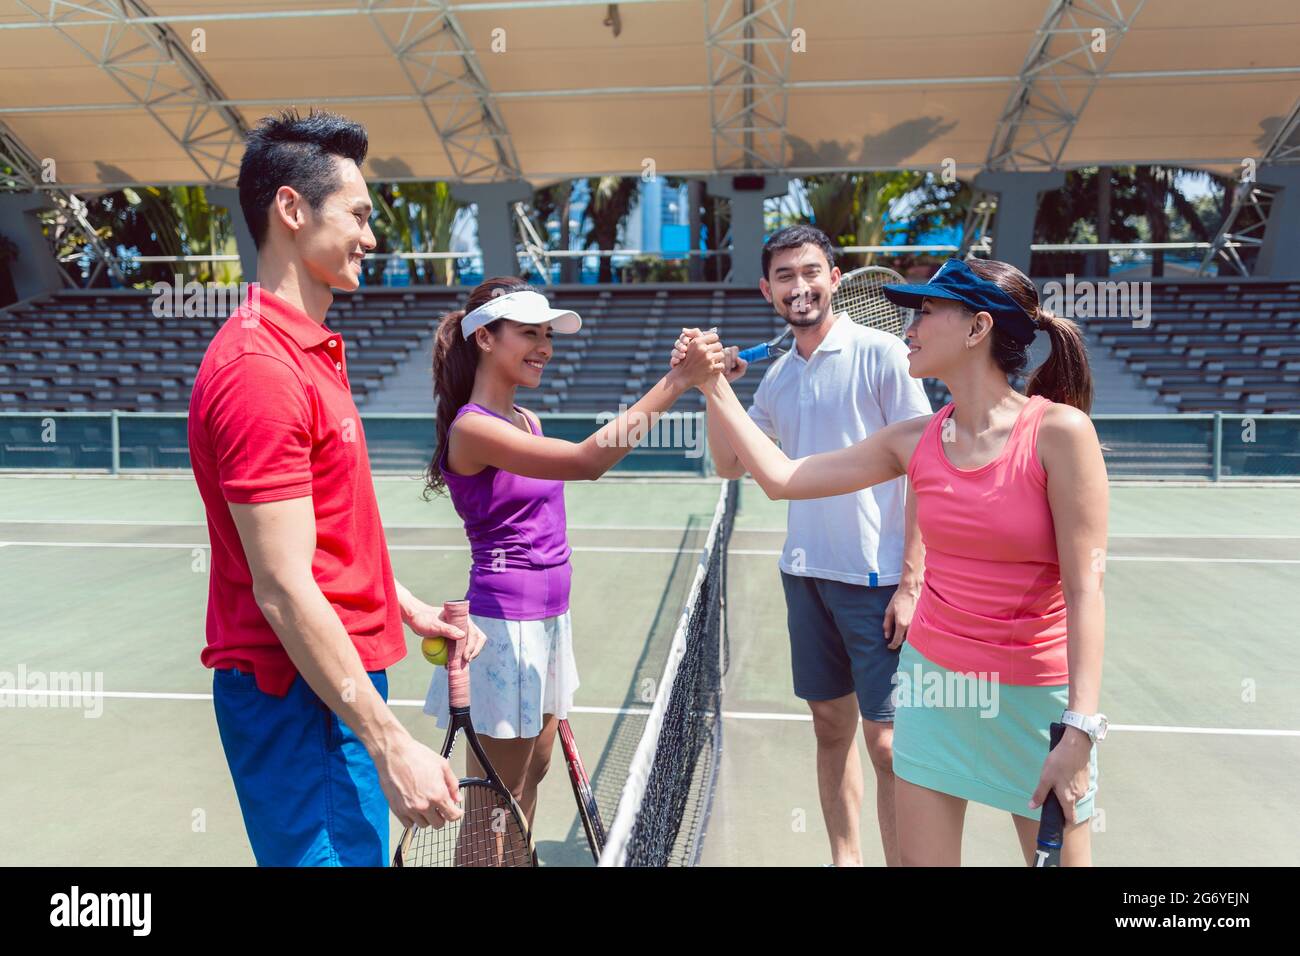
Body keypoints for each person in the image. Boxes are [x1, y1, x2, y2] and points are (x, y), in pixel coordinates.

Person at [685, 256, 1109, 866]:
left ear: (977, 328)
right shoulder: (912, 440)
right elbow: (780, 478)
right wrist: (713, 384)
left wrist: (1080, 728)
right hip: (933, 687)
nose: (908, 327)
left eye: (926, 312)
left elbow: (1086, 589)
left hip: (1034, 698)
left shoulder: (1060, 434)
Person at [188, 109, 485, 866]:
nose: (371, 236)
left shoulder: (307, 351)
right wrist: (390, 744)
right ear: (291, 209)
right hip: (305, 701)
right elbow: (284, 588)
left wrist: (406, 607)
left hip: (336, 686)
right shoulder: (262, 370)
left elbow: (324, 545)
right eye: (357, 214)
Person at [423, 277, 723, 831]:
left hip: (550, 623)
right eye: (530, 333)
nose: (545, 347)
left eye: (547, 335)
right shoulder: (473, 429)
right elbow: (588, 461)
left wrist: (699, 373)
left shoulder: (526, 422)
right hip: (504, 628)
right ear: (485, 339)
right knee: (495, 806)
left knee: (528, 783)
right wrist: (678, 380)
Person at [686, 225, 932, 867]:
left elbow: (924, 471)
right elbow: (728, 464)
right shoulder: (775, 381)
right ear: (768, 291)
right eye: (787, 277)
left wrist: (911, 582)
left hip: (878, 582)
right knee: (830, 729)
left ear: (836, 279)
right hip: (806, 578)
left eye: (812, 271)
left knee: (888, 748)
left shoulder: (884, 354)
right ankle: (844, 859)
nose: (801, 286)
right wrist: (722, 387)